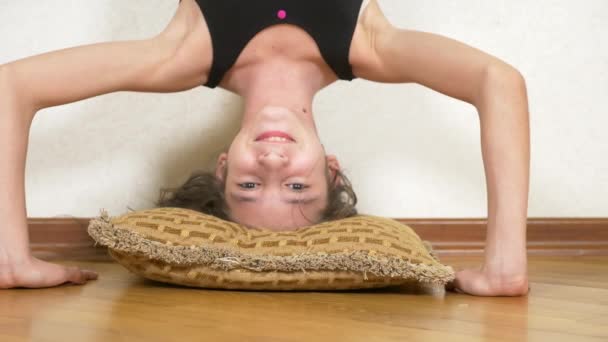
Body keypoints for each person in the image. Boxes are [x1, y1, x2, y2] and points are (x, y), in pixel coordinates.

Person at [0, 0, 530, 296]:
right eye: (297, 185)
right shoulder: (369, 45)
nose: (273, 163)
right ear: (331, 169)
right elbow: (498, 81)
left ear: (224, 164)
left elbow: (11, 87)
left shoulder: (181, 54)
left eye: (249, 184)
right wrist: (504, 266)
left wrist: (10, 258)